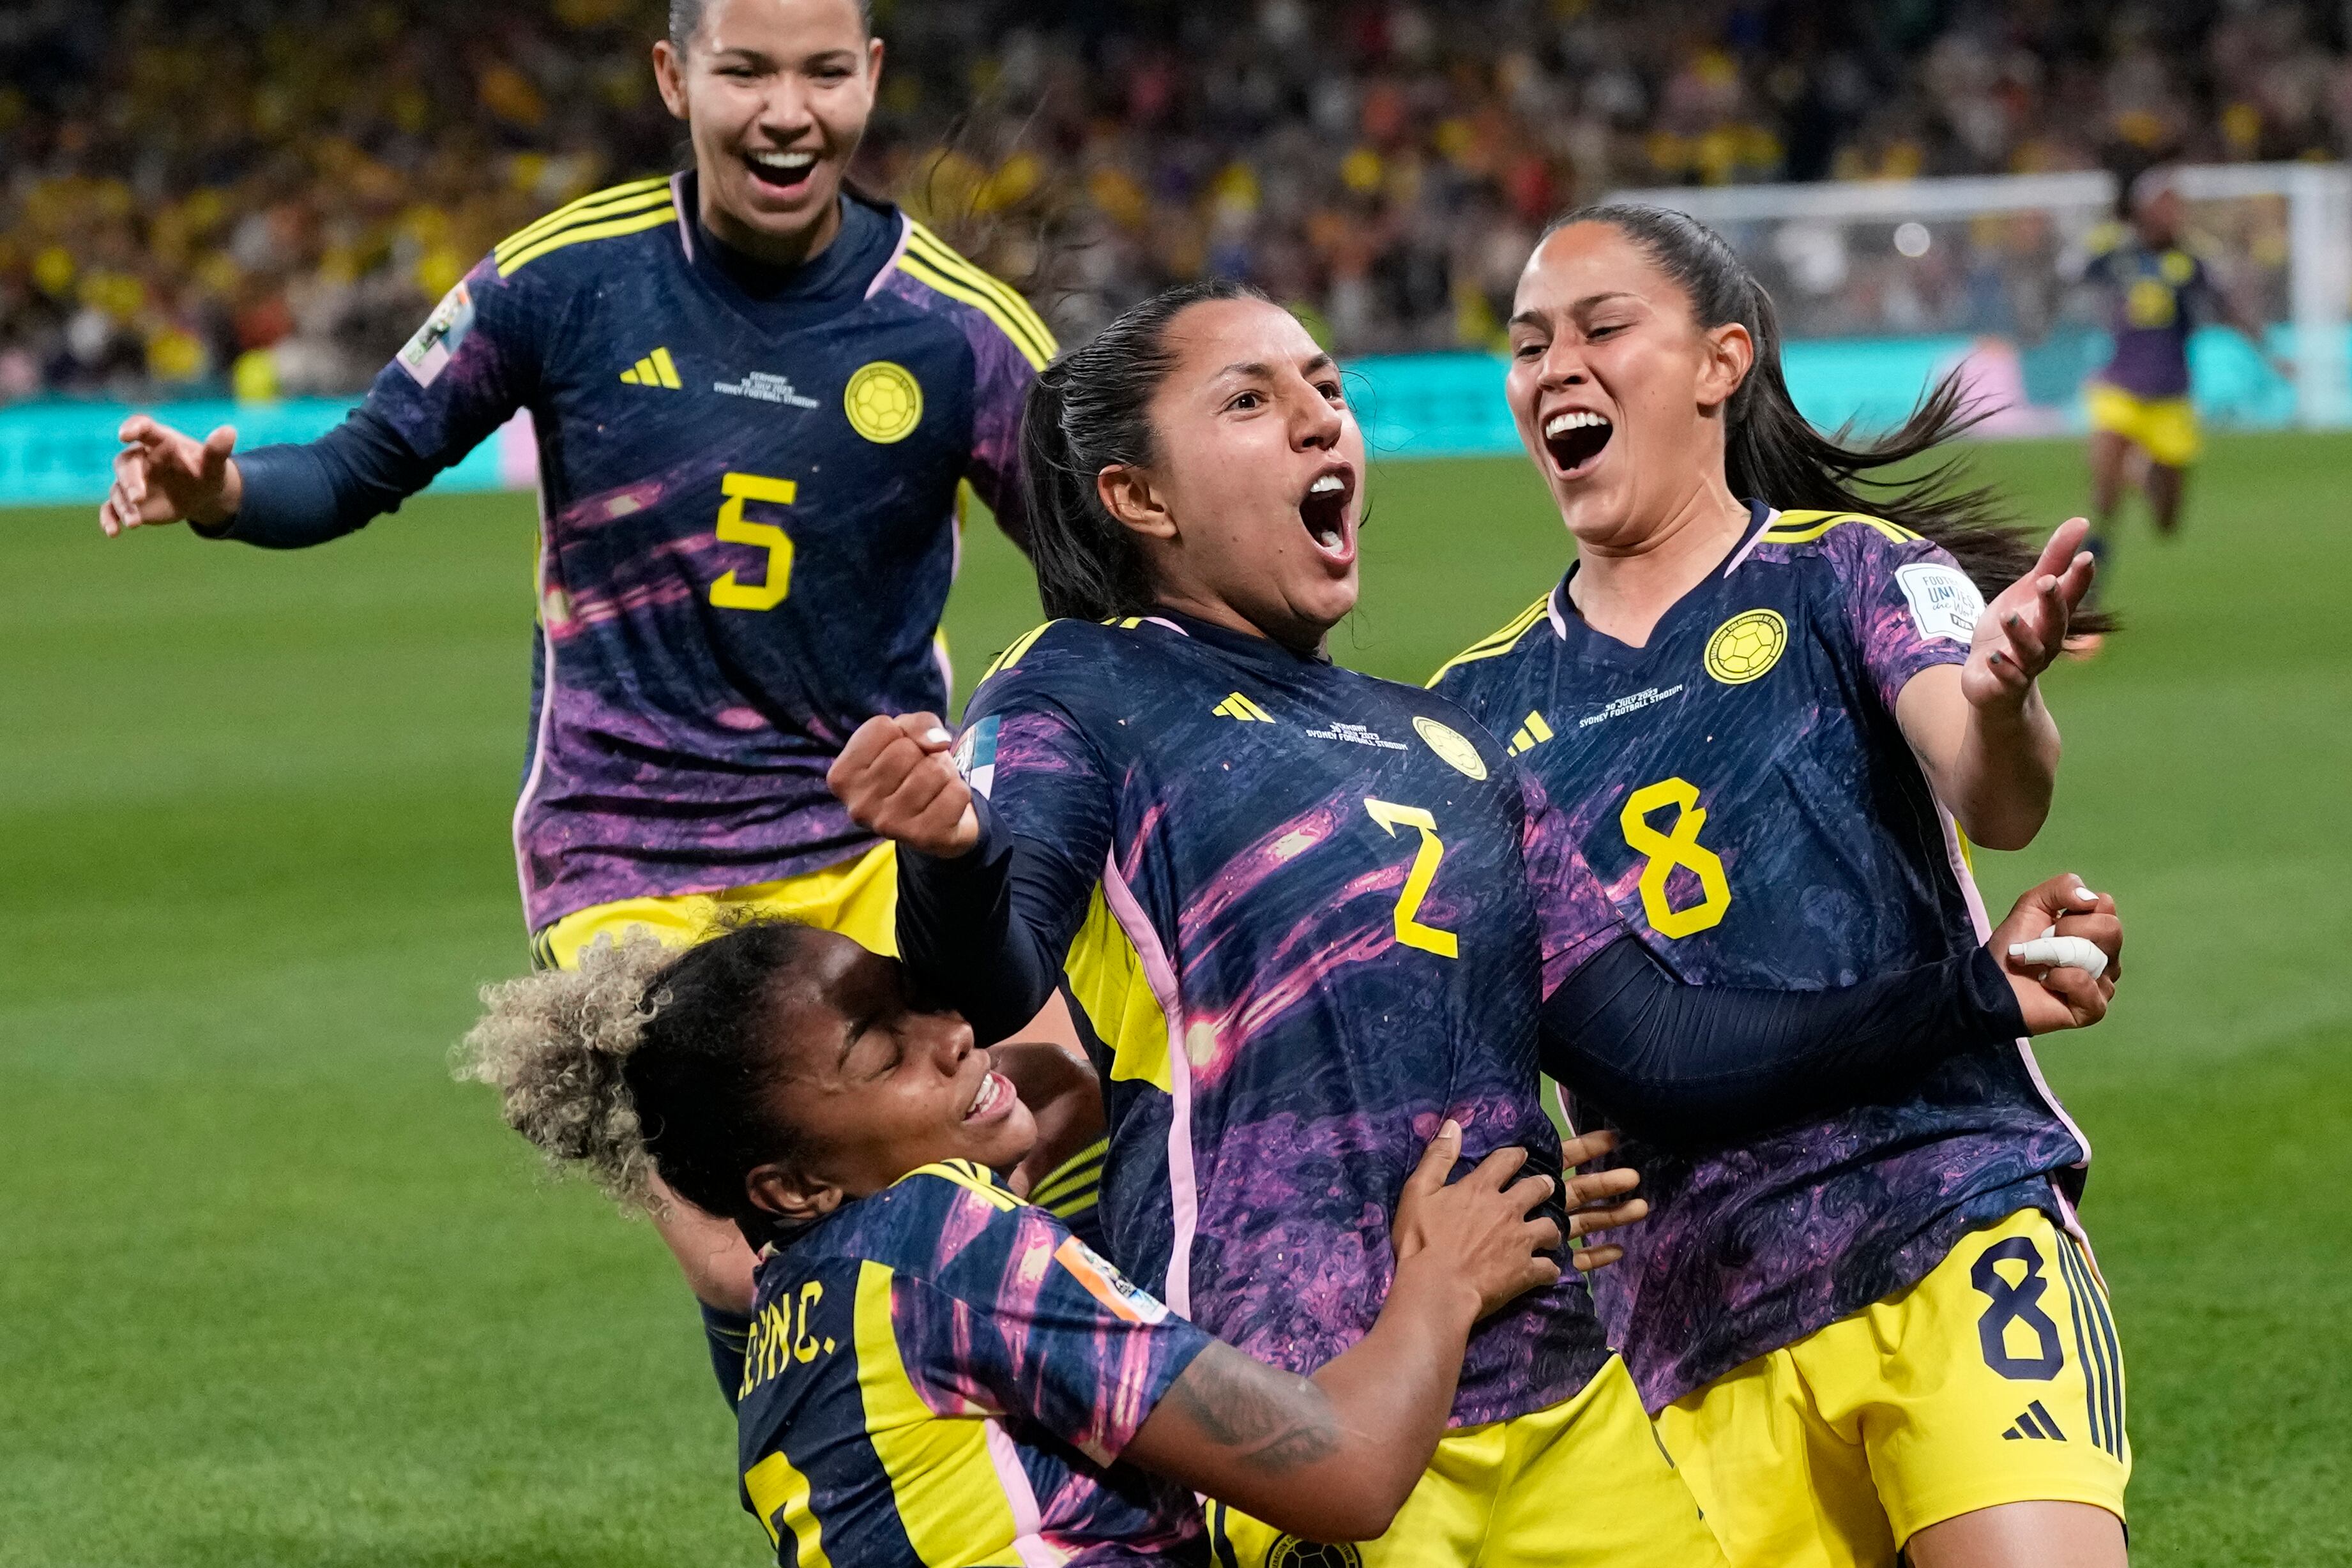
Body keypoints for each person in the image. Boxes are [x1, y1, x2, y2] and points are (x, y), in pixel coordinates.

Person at [826, 280, 2123, 1567]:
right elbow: (986, 977)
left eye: (1325, 389)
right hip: (1295, 1406)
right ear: (1139, 497)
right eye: (1249, 402)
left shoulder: (1446, 745)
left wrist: (1970, 991)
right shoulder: (1078, 686)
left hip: (1560, 1404)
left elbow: (1657, 1048)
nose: (1319, 420)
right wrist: (948, 855)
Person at [94, 0, 1074, 1380]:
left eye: (819, 71)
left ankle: (1026, 1469)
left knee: (1030, 1133)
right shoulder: (563, 277)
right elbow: (362, 461)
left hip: (868, 836)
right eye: (744, 70)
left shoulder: (959, 330)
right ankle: (823, 1482)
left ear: (869, 78)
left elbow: (1100, 574)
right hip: (626, 851)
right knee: (745, 1255)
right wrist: (226, 493)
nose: (783, 109)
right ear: (676, 77)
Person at [1429, 203, 2132, 1568]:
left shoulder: (1849, 569)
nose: (1555, 365)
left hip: (1940, 1211)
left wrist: (2001, 699)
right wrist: (1526, 1178)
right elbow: (1474, 1036)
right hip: (1689, 1312)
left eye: (1599, 327)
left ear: (1719, 361)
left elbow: (1993, 793)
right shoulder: (1473, 710)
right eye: (1527, 344)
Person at [460, 922, 1644, 1565]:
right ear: (795, 1184)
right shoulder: (937, 1238)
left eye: (918, 998)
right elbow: (1343, 1475)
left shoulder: (796, 1333)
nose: (949, 1036)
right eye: (882, 1054)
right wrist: (1441, 1279)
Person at [2073, 166, 2282, 620]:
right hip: (2120, 388)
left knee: (2166, 522)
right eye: (2166, 202)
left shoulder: (2191, 261)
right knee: (2104, 493)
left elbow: (2229, 310)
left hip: (2170, 398)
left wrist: (2269, 353)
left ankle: (2140, 469)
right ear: (2143, 208)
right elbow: (2073, 277)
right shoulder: (2116, 252)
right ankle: (2087, 587)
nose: (2175, 211)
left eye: (2177, 204)